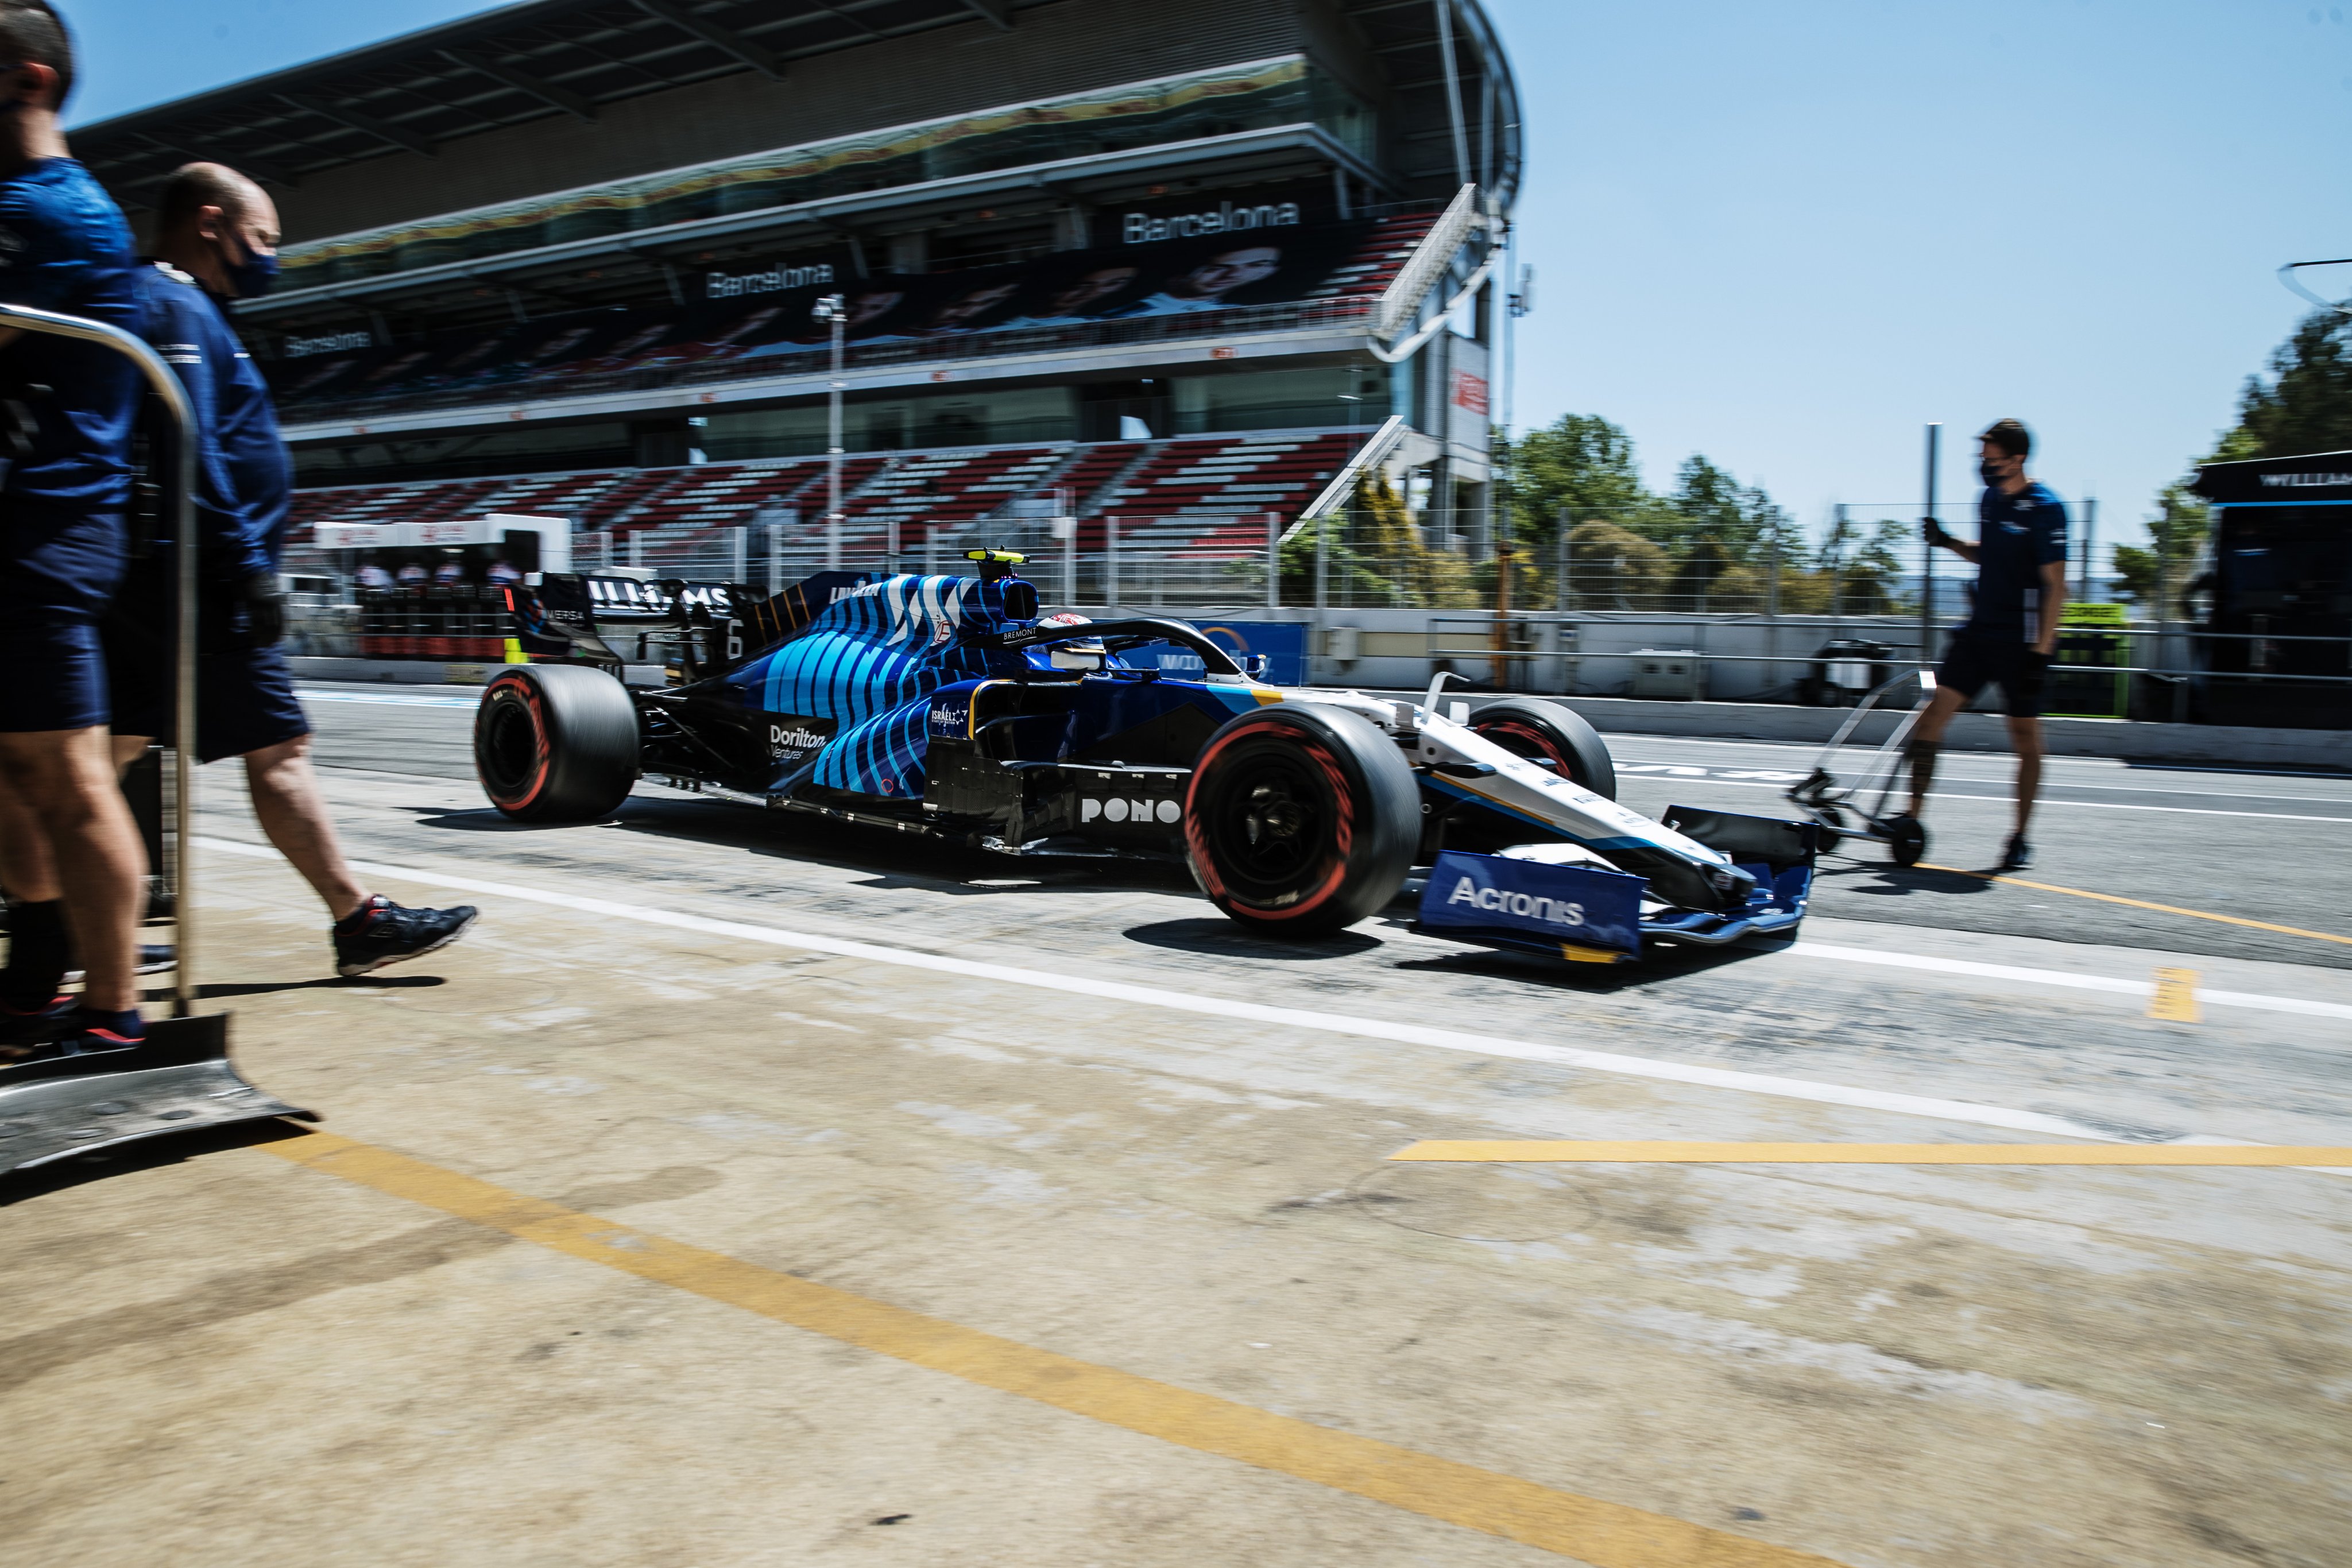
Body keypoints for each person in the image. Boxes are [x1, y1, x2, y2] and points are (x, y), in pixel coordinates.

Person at [87, 163, 475, 979]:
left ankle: (75, 927)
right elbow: (190, 449)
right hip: (203, 586)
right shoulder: (175, 304)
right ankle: (357, 919)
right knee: (280, 746)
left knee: (106, 754)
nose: (269, 255)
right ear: (208, 222)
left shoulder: (177, 304)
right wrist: (245, 570)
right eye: (262, 238)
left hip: (172, 577)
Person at [0, 2, 152, 1056]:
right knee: (18, 776)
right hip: (17, 525)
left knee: (68, 771)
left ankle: (113, 1015)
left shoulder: (57, 212)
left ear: (31, 80)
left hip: (47, 525)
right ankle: (40, 977)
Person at [1903, 418, 2069, 871]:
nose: (1984, 467)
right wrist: (1948, 542)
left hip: (2023, 641)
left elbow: (2056, 586)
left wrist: (2040, 651)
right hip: (1979, 632)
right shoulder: (1990, 500)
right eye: (1981, 459)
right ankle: (1910, 821)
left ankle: (2019, 836)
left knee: (2024, 736)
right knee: (1931, 716)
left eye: (1991, 460)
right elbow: (1989, 554)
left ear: (2018, 459)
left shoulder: (2046, 508)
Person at [1112, 245, 1281, 316]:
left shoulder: (1240, 312)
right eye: (1217, 268)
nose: (1233, 275)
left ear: (1269, 271)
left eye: (1255, 265)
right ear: (1177, 276)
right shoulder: (1125, 315)